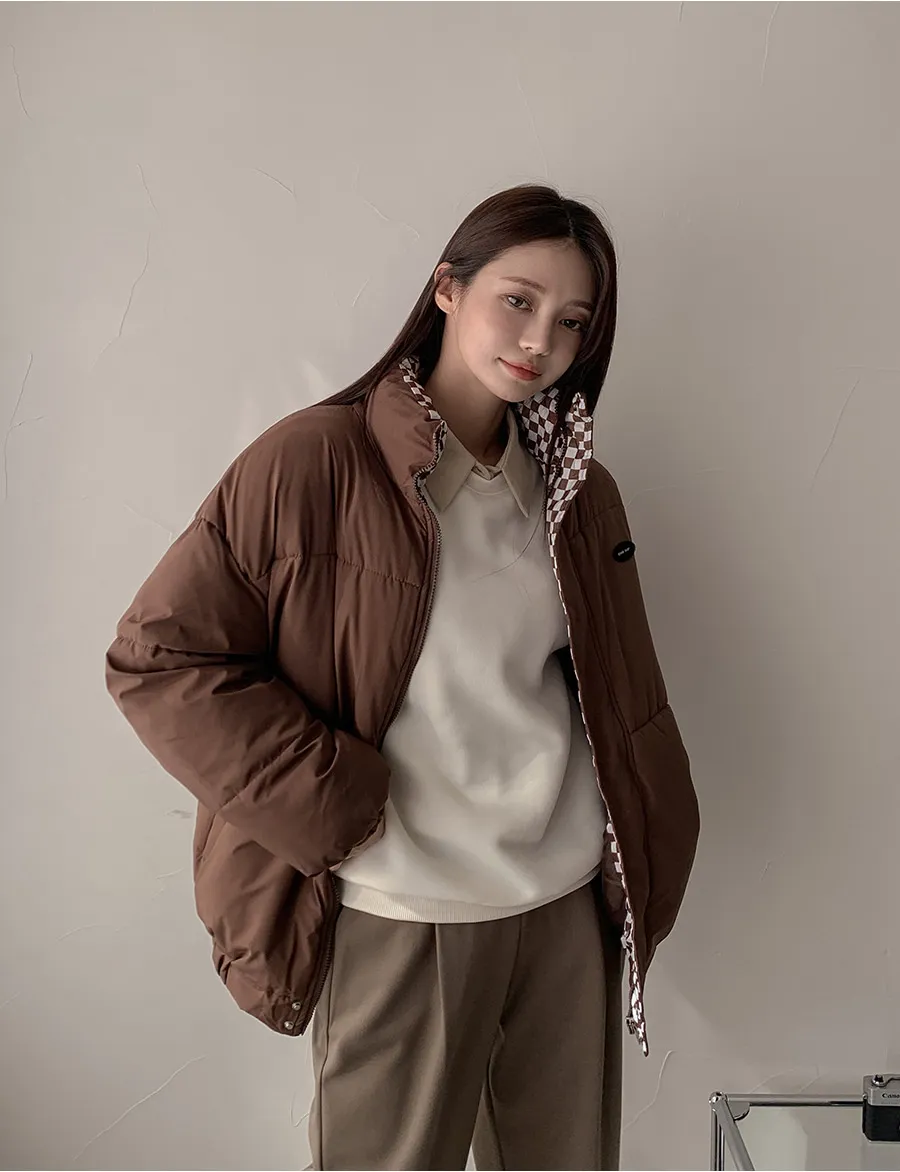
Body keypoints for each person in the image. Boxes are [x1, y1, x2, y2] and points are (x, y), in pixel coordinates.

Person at [106, 184, 700, 1171]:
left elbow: (608, 691)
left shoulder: (577, 490)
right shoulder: (313, 461)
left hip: (561, 904)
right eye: (518, 300)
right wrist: (338, 802)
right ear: (447, 288)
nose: (540, 340)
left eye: (571, 321)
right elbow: (158, 658)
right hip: (404, 907)